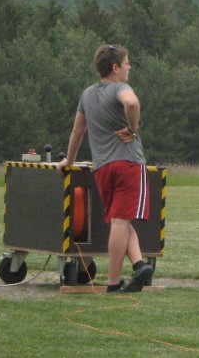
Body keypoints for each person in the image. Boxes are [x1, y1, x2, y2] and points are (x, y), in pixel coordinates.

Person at [58, 44, 153, 293]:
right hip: (128, 163)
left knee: (120, 219)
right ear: (115, 67)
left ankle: (139, 264)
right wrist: (132, 129)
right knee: (120, 222)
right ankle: (113, 283)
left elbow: (78, 130)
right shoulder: (121, 88)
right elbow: (132, 103)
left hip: (102, 168)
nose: (129, 68)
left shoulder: (87, 94)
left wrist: (69, 161)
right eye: (127, 64)